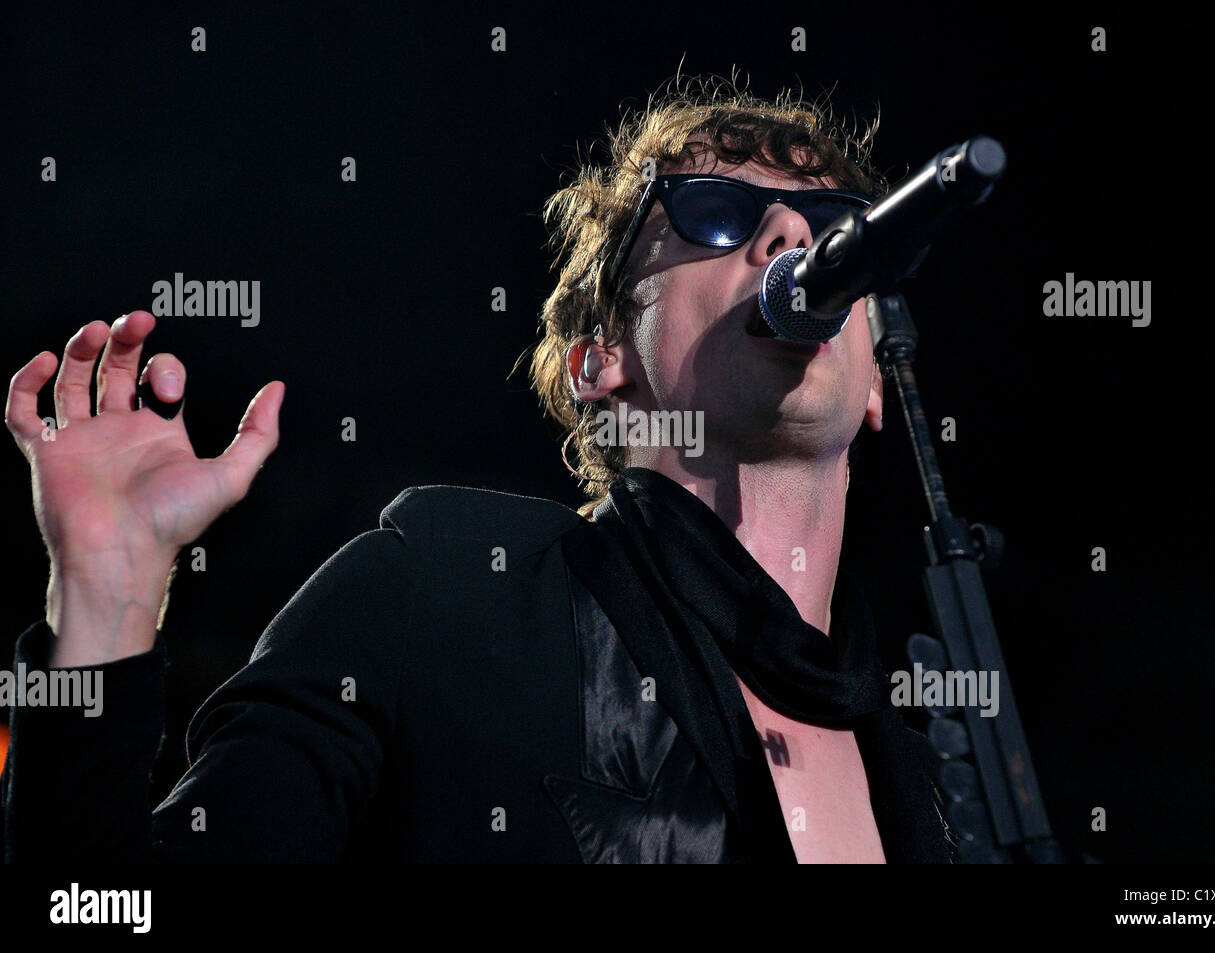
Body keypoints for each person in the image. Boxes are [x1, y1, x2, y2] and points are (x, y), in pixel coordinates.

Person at [1, 76, 954, 863]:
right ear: (598, 357)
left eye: (833, 222)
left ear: (877, 377)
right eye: (714, 213)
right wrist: (105, 600)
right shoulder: (439, 589)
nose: (794, 234)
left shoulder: (944, 789)